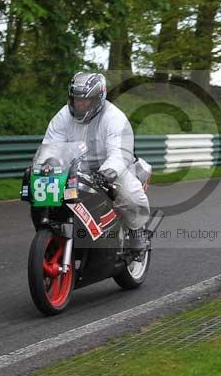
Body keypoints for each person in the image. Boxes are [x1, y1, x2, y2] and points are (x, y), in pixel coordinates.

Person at [41, 72, 151, 249]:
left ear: (99, 98)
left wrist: (108, 172)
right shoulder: (63, 116)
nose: (79, 104)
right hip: (76, 169)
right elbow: (51, 145)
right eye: (76, 99)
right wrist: (46, 163)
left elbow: (120, 153)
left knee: (130, 193)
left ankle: (137, 230)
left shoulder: (114, 118)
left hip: (110, 170)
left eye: (86, 100)